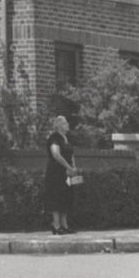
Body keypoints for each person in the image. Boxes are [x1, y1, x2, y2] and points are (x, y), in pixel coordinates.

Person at [44, 95, 84, 234]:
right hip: (56, 173)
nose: (68, 125)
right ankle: (56, 226)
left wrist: (73, 168)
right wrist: (67, 167)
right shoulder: (54, 138)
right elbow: (56, 154)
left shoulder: (67, 138)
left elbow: (70, 154)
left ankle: (65, 225)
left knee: (66, 198)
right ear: (60, 125)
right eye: (65, 123)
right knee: (56, 198)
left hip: (67, 173)